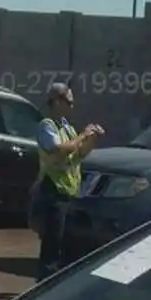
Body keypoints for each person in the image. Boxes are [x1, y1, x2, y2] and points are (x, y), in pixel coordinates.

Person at [31, 83, 104, 280]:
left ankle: (51, 283)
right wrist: (82, 136)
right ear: (56, 102)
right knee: (51, 245)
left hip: (69, 193)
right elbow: (59, 149)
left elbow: (79, 153)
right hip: (52, 190)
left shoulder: (67, 128)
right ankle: (43, 284)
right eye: (68, 102)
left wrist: (91, 139)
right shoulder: (47, 125)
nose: (72, 106)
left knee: (64, 243)